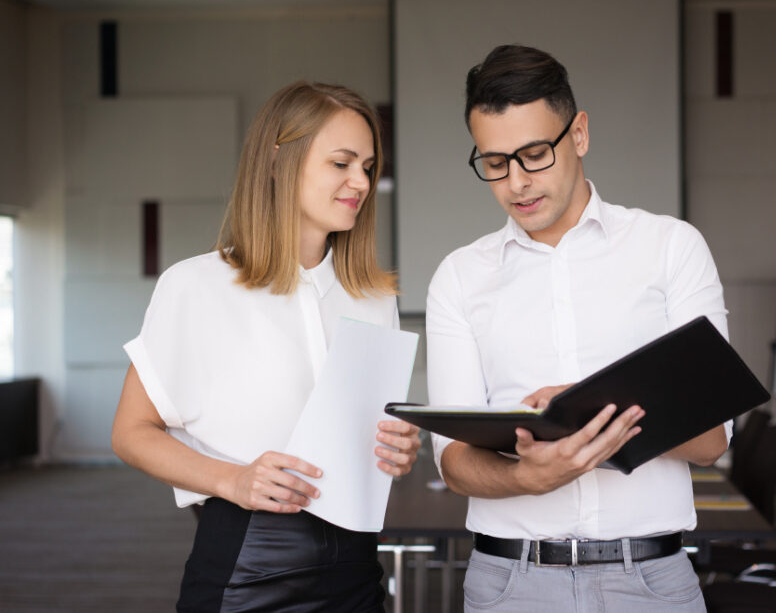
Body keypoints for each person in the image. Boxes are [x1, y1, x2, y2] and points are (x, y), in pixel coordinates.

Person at [426, 44, 730, 612]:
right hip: (510, 584)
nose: (517, 182)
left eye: (535, 154)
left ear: (579, 134)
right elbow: (454, 462)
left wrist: (592, 408)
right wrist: (528, 480)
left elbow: (712, 442)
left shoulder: (670, 249)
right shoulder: (460, 277)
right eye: (495, 163)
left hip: (650, 583)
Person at [111, 81, 421, 613]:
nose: (361, 182)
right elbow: (130, 433)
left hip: (356, 568)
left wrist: (398, 446)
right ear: (280, 161)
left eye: (368, 167)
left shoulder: (374, 297)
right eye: (342, 163)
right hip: (245, 568)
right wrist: (232, 478)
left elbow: (367, 437)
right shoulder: (195, 285)